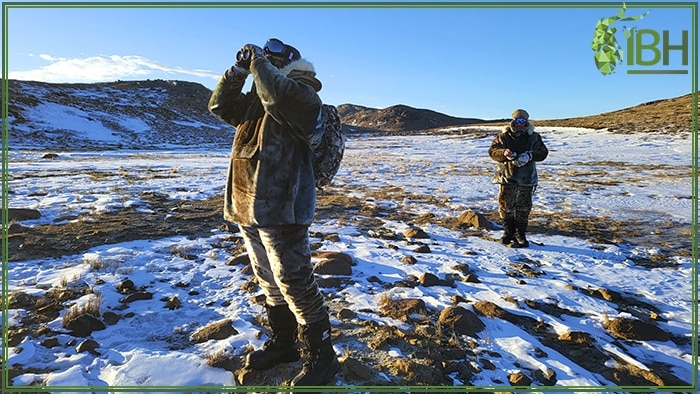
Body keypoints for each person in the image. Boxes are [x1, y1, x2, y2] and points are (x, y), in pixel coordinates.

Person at [208, 38, 340, 386]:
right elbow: (219, 106)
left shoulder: (304, 95)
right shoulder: (257, 101)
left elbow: (277, 96)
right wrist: (238, 71)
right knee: (268, 280)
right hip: (248, 206)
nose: (261, 62)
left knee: (295, 282)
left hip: (283, 208)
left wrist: (259, 64)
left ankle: (322, 358)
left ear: (286, 64)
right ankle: (284, 344)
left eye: (270, 58)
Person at [488, 109, 548, 248]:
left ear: (526, 122)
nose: (520, 123)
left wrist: (531, 155)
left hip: (526, 179)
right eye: (517, 121)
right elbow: (492, 151)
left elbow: (543, 152)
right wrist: (504, 153)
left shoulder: (534, 137)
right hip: (507, 177)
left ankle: (520, 234)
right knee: (506, 206)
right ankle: (508, 232)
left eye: (522, 121)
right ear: (513, 121)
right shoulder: (503, 136)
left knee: (523, 207)